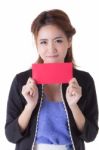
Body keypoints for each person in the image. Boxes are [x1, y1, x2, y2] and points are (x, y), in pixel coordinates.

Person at [5, 9, 98, 150]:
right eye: (43, 42)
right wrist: (29, 106)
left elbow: (90, 135)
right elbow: (11, 136)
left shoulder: (84, 81)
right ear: (36, 44)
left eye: (58, 41)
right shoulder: (21, 81)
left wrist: (74, 105)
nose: (51, 49)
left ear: (69, 41)